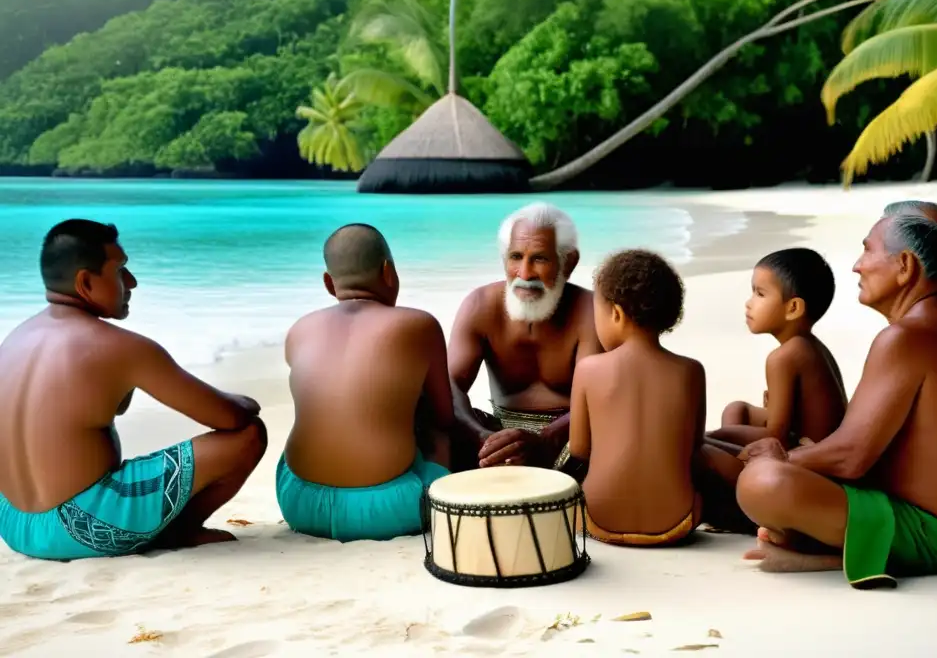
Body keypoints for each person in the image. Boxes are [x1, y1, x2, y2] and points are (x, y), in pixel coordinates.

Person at [736, 201, 937, 590]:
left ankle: (826, 555)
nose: (857, 265)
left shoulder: (908, 336)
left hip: (930, 534)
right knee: (778, 469)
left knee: (761, 482)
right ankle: (823, 540)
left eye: (868, 250)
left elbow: (851, 457)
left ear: (905, 267)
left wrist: (786, 458)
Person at [0, 220, 267, 561]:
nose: (132, 282)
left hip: (13, 523)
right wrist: (243, 402)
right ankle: (180, 530)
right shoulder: (120, 347)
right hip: (81, 528)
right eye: (121, 270)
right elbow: (229, 418)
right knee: (248, 434)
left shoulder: (15, 338)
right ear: (85, 282)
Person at [277, 223, 454, 542]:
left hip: (298, 503)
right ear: (389, 272)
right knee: (437, 432)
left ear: (329, 284)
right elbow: (444, 418)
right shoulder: (420, 325)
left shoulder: (300, 329)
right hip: (392, 508)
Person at [447, 202, 602, 471]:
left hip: (573, 439)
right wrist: (482, 438)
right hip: (498, 436)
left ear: (569, 262)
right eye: (516, 257)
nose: (525, 274)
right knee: (424, 418)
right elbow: (449, 385)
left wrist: (547, 439)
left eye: (539, 258)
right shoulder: (480, 306)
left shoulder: (591, 312)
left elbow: (602, 396)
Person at [566, 250, 706, 546]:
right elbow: (694, 445)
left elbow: (579, 449)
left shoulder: (589, 369)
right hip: (677, 523)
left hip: (597, 520)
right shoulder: (691, 371)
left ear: (615, 314)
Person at [706, 248, 847, 454]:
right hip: (803, 439)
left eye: (760, 294)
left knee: (706, 448)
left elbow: (775, 437)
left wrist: (715, 436)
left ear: (793, 308)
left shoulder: (785, 357)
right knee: (736, 410)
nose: (749, 303)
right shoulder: (809, 345)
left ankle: (732, 469)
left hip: (808, 456)